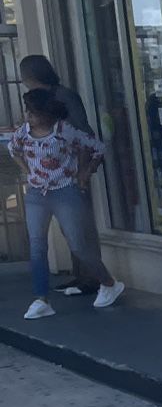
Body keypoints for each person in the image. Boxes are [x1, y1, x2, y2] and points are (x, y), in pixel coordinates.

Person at [5, 89, 125, 318]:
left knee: (78, 244)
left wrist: (85, 172)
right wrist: (28, 172)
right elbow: (13, 150)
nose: (28, 116)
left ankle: (108, 282)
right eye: (27, 111)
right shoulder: (24, 132)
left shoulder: (64, 131)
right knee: (37, 246)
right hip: (36, 194)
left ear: (46, 113)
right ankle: (41, 298)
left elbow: (97, 147)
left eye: (33, 112)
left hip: (65, 191)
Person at [18, 55, 105, 295]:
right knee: (67, 229)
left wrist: (85, 171)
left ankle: (97, 279)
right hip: (48, 177)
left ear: (30, 76)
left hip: (71, 172)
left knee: (80, 229)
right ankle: (82, 276)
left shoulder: (63, 97)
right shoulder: (40, 101)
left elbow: (84, 133)